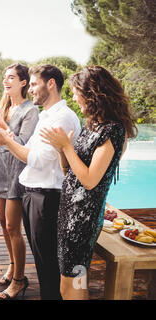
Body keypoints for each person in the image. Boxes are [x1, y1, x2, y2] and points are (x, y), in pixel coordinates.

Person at [39, 66, 136, 300]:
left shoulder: (113, 130)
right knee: (73, 281)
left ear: (92, 93)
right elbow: (68, 171)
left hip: (82, 220)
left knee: (72, 285)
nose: (73, 97)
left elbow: (91, 180)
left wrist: (66, 146)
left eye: (76, 92)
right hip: (69, 214)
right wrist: (62, 150)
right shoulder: (92, 125)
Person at [0, 64, 81, 300]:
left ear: (51, 84)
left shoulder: (63, 118)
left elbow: (37, 159)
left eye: (35, 83)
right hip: (33, 195)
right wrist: (3, 133)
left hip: (47, 197)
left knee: (49, 267)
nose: (32, 90)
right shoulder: (47, 116)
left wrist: (6, 140)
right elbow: (27, 149)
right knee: (43, 266)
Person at [0, 63, 39, 299]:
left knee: (14, 227)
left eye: (11, 77)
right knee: (4, 225)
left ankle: (19, 280)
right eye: (5, 77)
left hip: (18, 171)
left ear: (24, 82)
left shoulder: (31, 111)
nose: (6, 81)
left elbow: (23, 143)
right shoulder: (4, 107)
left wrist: (0, 125)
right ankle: (13, 264)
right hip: (0, 168)